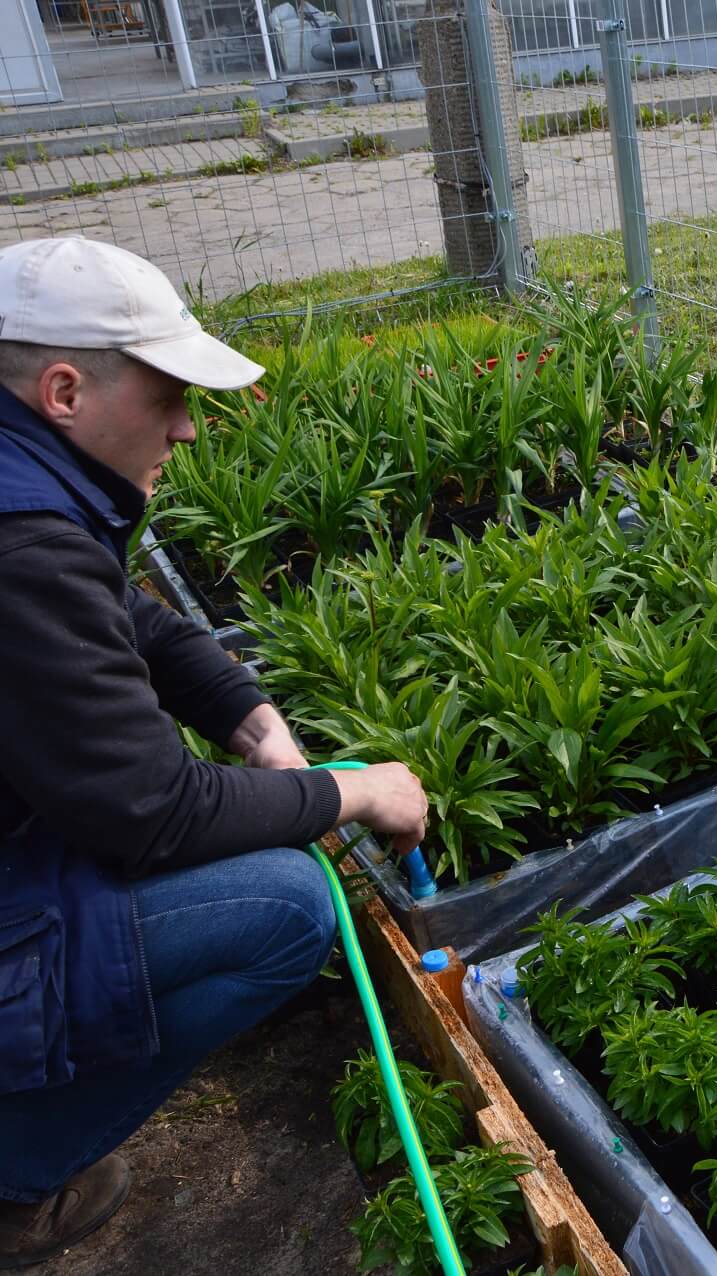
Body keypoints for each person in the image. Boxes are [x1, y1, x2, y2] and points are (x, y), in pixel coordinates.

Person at [0, 237, 429, 1268]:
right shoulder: (19, 550)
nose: (188, 427)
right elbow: (154, 811)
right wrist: (350, 789)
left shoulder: (27, 482)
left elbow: (132, 622)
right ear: (65, 389)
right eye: (168, 398)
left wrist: (254, 721)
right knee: (286, 906)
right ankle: (16, 1179)